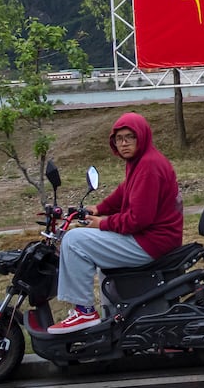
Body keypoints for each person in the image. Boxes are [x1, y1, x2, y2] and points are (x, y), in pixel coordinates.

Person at [50, 112, 182, 333]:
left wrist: (102, 223)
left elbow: (138, 219)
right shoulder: (139, 161)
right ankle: (114, 318)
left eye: (130, 137)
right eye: (119, 139)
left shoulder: (149, 166)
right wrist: (99, 208)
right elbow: (125, 192)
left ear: (142, 137)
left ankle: (84, 312)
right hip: (153, 239)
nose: (124, 143)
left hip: (150, 242)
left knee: (73, 240)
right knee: (98, 253)